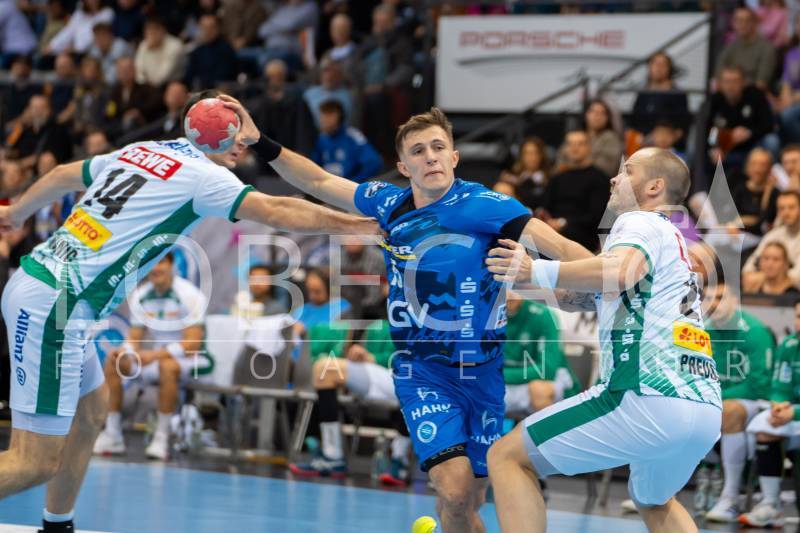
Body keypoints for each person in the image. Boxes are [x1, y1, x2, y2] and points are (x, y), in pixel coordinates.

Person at [0, 89, 377, 533]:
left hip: (44, 287)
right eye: (236, 131)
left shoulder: (142, 150)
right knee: (34, 462)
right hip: (56, 306)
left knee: (92, 411)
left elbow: (64, 174)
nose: (243, 143)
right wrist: (357, 225)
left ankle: (57, 524)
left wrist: (18, 211)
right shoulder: (204, 175)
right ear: (212, 132)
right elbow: (276, 208)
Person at [221, 99, 593, 532]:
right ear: (403, 166)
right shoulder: (388, 203)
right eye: (418, 151)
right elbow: (318, 180)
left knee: (471, 499)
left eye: (438, 147)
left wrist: (610, 283)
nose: (430, 157)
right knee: (453, 490)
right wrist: (259, 142)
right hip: (423, 372)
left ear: (454, 157)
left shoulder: (488, 206)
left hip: (483, 373)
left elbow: (562, 248)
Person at [486, 147, 722, 533]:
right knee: (654, 501)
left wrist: (536, 268)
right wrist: (516, 278)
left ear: (654, 187)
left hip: (645, 394)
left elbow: (618, 271)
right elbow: (583, 294)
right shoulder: (672, 242)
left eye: (627, 171)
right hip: (703, 408)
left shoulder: (640, 221)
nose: (614, 178)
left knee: (507, 456)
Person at [93, 254, 209, 460]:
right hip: (156, 358)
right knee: (114, 362)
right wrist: (125, 350)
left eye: (161, 263)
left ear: (171, 265)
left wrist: (155, 355)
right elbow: (134, 338)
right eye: (151, 264)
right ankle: (113, 434)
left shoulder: (190, 295)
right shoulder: (141, 295)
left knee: (167, 366)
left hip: (191, 360)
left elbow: (193, 344)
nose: (156, 269)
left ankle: (161, 438)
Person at [694, 280, 775, 522]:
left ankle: (730, 498)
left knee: (729, 410)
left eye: (721, 298)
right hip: (717, 400)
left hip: (754, 403)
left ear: (735, 301)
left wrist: (715, 398)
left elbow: (759, 385)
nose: (714, 304)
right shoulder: (702, 332)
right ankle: (660, 493)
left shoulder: (755, 332)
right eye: (709, 299)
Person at [738, 299, 800, 528]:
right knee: (764, 425)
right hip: (791, 412)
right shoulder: (789, 345)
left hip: (795, 413)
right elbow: (778, 386)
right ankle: (771, 503)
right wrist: (778, 406)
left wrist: (794, 412)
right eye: (798, 316)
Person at [502, 293, 580, 417]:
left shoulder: (544, 315)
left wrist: (497, 375)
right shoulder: (484, 316)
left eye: (510, 287)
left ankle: (555, 428)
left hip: (549, 380)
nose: (507, 294)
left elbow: (546, 370)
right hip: (507, 381)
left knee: (538, 390)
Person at [541, 130, 610, 251]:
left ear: (589, 148)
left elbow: (596, 216)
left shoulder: (599, 178)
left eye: (580, 144)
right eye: (570, 144)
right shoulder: (557, 177)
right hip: (553, 230)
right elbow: (545, 206)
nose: (574, 148)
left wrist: (563, 223)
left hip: (583, 235)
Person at [311, 99, 383, 184]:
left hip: (348, 186)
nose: (324, 121)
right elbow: (314, 166)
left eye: (329, 116)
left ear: (340, 117)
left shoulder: (353, 136)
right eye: (322, 116)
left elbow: (373, 163)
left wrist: (354, 183)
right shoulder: (321, 139)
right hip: (328, 187)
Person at [743, 191, 800, 290]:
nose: (786, 213)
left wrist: (766, 277)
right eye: (782, 208)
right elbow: (748, 270)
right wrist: (771, 277)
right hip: (769, 291)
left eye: (791, 207)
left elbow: (797, 277)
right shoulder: (773, 235)